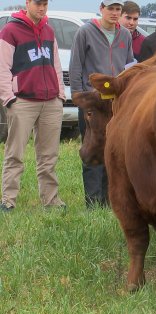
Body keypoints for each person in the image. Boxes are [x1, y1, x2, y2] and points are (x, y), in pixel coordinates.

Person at [0, 0, 66, 212]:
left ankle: (51, 201)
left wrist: (60, 95)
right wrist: (9, 98)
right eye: (38, 3)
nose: (42, 7)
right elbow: (2, 67)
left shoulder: (48, 30)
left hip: (50, 102)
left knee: (49, 156)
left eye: (45, 3)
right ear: (27, 3)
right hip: (23, 102)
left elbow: (56, 64)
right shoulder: (10, 30)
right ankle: (8, 201)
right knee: (15, 154)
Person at [69, 0, 134, 208]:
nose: (115, 13)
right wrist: (80, 97)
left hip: (116, 102)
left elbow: (130, 65)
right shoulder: (85, 32)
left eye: (118, 9)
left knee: (113, 151)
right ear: (101, 9)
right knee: (93, 149)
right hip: (94, 102)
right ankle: (93, 201)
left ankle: (109, 200)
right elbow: (76, 66)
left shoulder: (124, 34)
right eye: (111, 9)